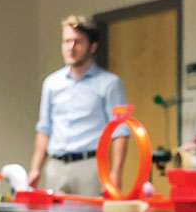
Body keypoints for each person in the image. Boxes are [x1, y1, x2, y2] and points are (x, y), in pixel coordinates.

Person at [29, 14, 129, 196]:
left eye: (77, 42)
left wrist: (116, 173)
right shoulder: (52, 83)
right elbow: (44, 128)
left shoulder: (109, 83)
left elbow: (120, 132)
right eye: (66, 41)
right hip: (56, 166)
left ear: (93, 47)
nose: (71, 47)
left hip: (90, 167)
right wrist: (35, 168)